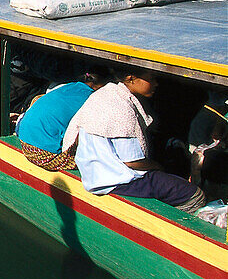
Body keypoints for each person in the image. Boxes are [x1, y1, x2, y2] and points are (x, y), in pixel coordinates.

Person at [61, 69, 205, 214]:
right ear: (131, 78)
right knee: (194, 195)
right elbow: (132, 162)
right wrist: (157, 167)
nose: (156, 84)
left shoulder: (105, 94)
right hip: (115, 180)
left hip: (93, 171)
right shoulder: (121, 109)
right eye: (152, 79)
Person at [16, 70, 108, 170]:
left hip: (24, 141)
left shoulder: (70, 86)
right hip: (43, 153)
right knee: (96, 161)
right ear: (101, 86)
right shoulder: (92, 99)